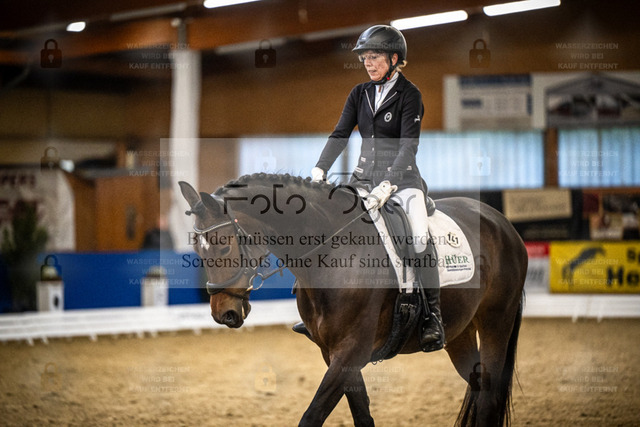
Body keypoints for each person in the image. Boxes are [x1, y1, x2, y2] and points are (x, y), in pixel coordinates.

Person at [294, 25, 444, 352]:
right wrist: (319, 169)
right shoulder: (359, 93)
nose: (368, 63)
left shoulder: (410, 94)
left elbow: (408, 147)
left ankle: (432, 315)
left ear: (394, 59)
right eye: (364, 57)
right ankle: (315, 308)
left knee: (419, 237)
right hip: (362, 180)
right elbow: (340, 134)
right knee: (326, 224)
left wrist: (389, 183)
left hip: (402, 182)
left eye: (374, 57)